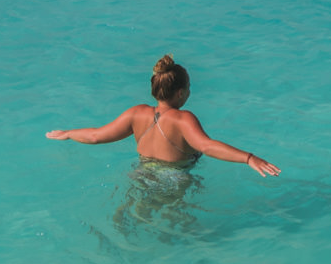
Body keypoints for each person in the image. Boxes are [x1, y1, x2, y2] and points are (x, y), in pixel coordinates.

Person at [47, 55, 280, 177]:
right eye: (189, 86)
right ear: (180, 93)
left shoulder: (136, 113)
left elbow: (97, 136)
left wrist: (68, 133)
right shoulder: (183, 119)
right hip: (173, 179)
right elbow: (207, 146)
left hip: (140, 173)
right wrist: (249, 158)